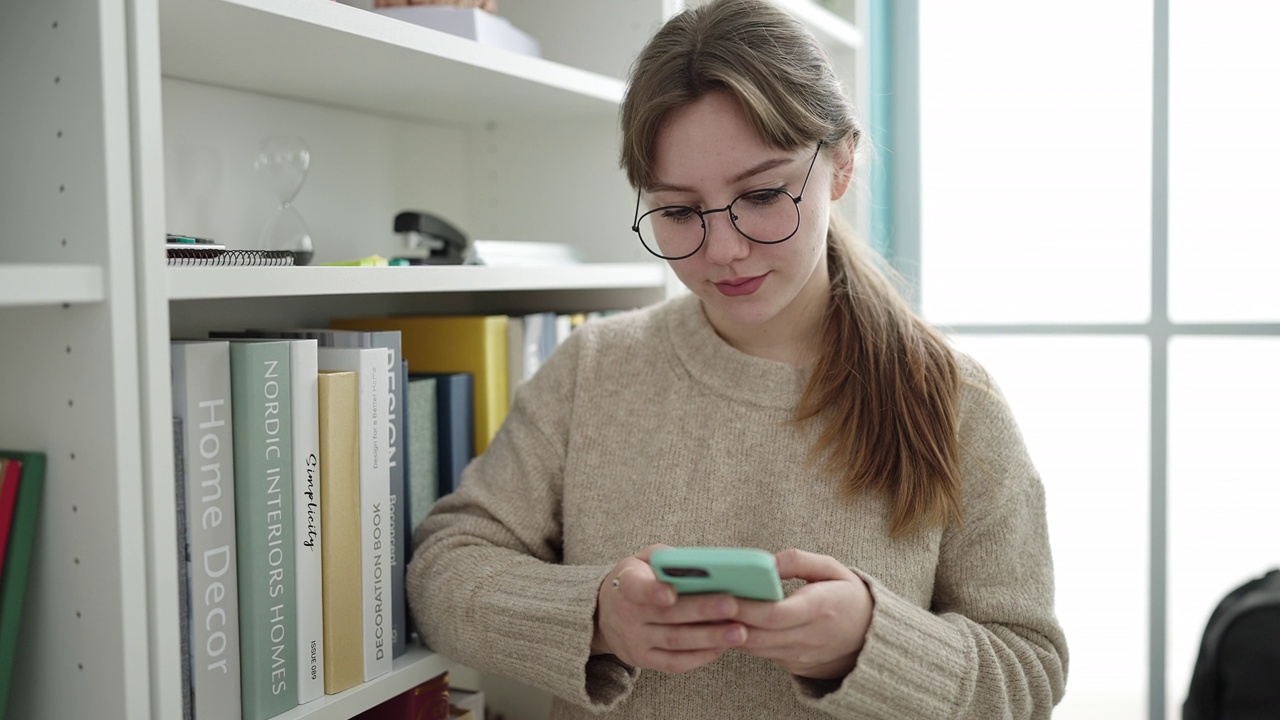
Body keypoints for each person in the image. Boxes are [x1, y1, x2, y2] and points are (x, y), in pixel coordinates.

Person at [407, 0, 1068, 717]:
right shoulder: (593, 369)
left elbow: (1028, 671)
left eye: (760, 196)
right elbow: (445, 569)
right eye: (680, 212)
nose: (722, 250)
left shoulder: (955, 399)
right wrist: (596, 615)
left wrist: (871, 643)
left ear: (841, 164)